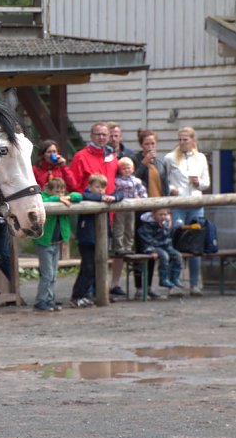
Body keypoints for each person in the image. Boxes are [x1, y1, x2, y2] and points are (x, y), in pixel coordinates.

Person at [164, 127, 210, 296]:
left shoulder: (201, 158)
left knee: (195, 245)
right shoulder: (170, 158)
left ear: (193, 140)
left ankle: (194, 284)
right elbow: (165, 180)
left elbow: (206, 183)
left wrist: (198, 183)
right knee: (176, 244)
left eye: (185, 139)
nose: (182, 142)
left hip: (196, 205)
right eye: (180, 139)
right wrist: (171, 189)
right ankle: (173, 284)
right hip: (178, 205)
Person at [130, 129, 170, 297]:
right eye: (147, 144)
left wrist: (167, 210)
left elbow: (165, 187)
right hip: (141, 211)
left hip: (157, 210)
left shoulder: (160, 163)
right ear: (141, 144)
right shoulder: (135, 159)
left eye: (152, 143)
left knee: (155, 247)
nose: (150, 146)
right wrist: (143, 164)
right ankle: (139, 287)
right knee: (141, 248)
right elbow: (132, 181)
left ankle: (149, 286)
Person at [69, 174, 119, 308]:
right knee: (88, 268)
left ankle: (96, 294)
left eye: (103, 187)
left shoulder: (106, 197)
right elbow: (85, 196)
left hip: (101, 239)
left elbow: (120, 195)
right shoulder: (85, 196)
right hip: (86, 239)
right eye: (97, 187)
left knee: (99, 266)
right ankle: (77, 296)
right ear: (90, 186)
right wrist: (103, 198)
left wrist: (113, 197)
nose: (101, 190)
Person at [33, 177, 81, 312]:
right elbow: (44, 201)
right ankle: (41, 300)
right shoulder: (43, 197)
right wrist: (58, 199)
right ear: (49, 190)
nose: (60, 194)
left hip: (56, 242)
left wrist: (67, 197)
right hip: (45, 242)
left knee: (53, 273)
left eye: (62, 191)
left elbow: (78, 196)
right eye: (57, 191)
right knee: (47, 274)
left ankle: (50, 298)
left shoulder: (65, 197)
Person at [109, 157, 147, 298]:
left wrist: (141, 199)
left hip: (131, 208)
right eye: (124, 168)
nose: (127, 170)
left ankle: (128, 246)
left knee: (129, 229)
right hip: (120, 208)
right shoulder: (117, 181)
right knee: (119, 228)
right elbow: (113, 191)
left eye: (129, 168)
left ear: (133, 169)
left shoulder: (136, 181)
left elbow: (143, 192)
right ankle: (119, 247)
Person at [137, 208, 183, 294]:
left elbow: (167, 237)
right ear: (154, 215)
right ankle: (163, 279)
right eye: (160, 214)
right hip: (153, 246)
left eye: (165, 215)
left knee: (178, 255)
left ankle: (175, 278)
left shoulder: (164, 224)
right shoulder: (147, 225)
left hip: (164, 245)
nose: (163, 217)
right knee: (164, 256)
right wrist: (151, 250)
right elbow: (146, 239)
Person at [67, 122, 119, 194]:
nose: (101, 137)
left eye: (104, 134)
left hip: (110, 202)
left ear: (108, 136)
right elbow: (73, 185)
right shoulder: (80, 157)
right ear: (91, 136)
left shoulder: (113, 157)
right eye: (98, 134)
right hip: (88, 203)